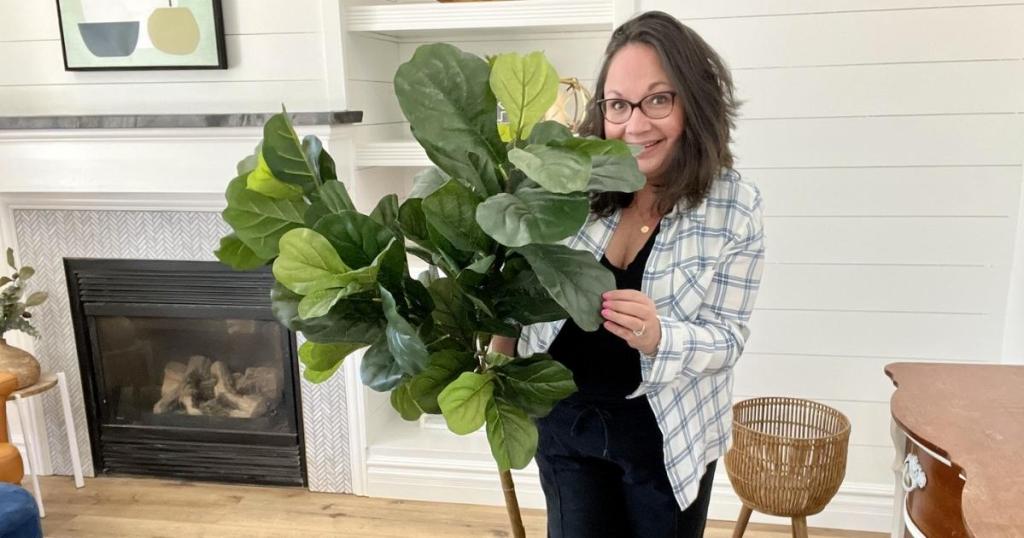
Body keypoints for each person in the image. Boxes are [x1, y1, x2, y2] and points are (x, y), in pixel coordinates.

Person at [492, 10, 766, 538]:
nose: (634, 125)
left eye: (658, 99)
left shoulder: (735, 207)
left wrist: (662, 335)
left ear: (695, 102)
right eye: (618, 104)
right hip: (564, 427)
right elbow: (517, 283)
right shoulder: (565, 182)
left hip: (668, 435)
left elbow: (728, 338)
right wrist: (495, 365)